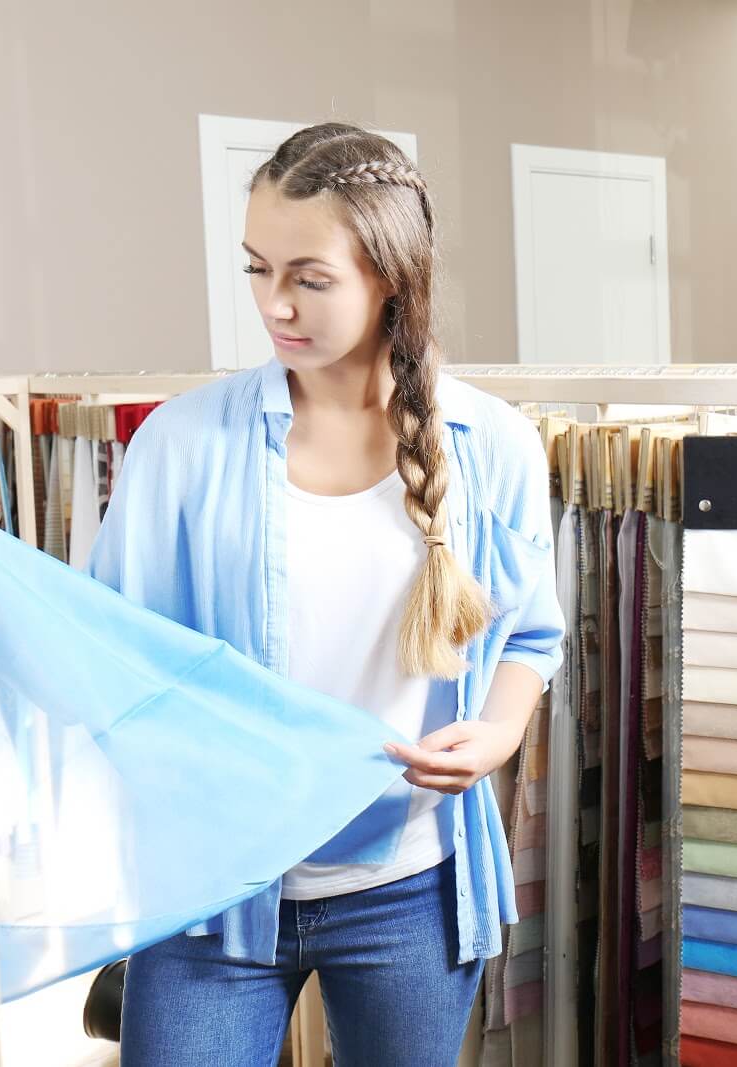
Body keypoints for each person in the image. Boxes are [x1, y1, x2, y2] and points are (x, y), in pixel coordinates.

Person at [88, 121, 565, 1067]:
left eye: (309, 276)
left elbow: (531, 639)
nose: (275, 304)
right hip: (215, 891)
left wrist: (500, 734)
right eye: (256, 269)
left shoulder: (494, 445)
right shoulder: (182, 446)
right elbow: (113, 655)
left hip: (412, 890)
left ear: (391, 273)